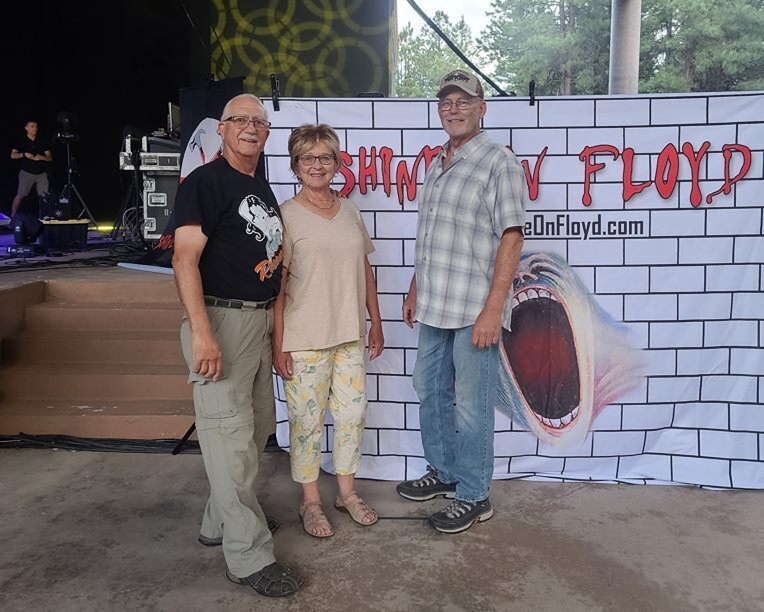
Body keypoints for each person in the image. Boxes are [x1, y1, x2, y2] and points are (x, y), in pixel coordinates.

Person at [172, 93, 303, 597]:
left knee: (255, 429)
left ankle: (219, 521)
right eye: (239, 120)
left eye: (259, 122)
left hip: (258, 322)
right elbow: (184, 260)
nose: (250, 128)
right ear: (222, 129)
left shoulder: (258, 186)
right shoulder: (204, 182)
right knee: (229, 438)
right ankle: (247, 555)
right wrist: (202, 331)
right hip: (220, 320)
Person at [396, 70, 526, 534]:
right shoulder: (438, 162)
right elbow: (434, 235)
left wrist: (494, 308)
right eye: (446, 102)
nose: (453, 109)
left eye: (463, 101)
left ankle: (474, 494)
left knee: (471, 405)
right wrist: (415, 286)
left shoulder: (498, 162)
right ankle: (444, 470)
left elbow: (512, 237)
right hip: (434, 303)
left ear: (481, 108)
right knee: (429, 389)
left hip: (474, 309)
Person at [273, 123, 384, 538]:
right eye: (307, 158)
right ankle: (311, 502)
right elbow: (278, 284)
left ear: (336, 163)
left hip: (350, 334)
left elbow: (365, 269)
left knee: (352, 416)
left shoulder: (351, 210)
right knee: (306, 423)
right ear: (295, 165)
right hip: (303, 339)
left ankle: (347, 494)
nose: (316, 165)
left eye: (324, 157)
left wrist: (376, 321)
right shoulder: (285, 215)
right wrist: (278, 344)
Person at [9, 120, 52, 217]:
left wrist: (41, 157)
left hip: (41, 173)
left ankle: (45, 216)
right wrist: (24, 154)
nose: (35, 128)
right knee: (21, 195)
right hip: (27, 172)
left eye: (36, 126)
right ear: (26, 128)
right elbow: (13, 155)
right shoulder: (21, 140)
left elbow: (49, 157)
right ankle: (13, 216)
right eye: (32, 126)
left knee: (44, 196)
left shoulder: (42, 141)